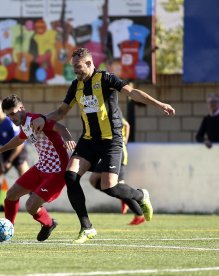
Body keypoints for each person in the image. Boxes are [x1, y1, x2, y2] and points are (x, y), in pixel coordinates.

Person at [31, 47, 175, 243]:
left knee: (109, 187)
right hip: (89, 140)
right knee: (70, 176)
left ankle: (141, 195)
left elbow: (132, 92)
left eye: (79, 67)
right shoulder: (76, 86)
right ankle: (87, 227)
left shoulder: (106, 79)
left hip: (111, 140)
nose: (76, 71)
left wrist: (160, 105)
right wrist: (42, 118)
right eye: (73, 67)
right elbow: (61, 111)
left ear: (90, 63)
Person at [0, 94, 76, 242]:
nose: (12, 118)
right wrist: (0, 150)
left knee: (30, 206)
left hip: (57, 171)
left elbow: (60, 127)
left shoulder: (34, 120)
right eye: (8, 116)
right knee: (11, 195)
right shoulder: (24, 124)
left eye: (13, 113)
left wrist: (68, 138)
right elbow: (19, 139)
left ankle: (49, 224)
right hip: (42, 167)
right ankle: (8, 227)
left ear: (22, 108)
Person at [0, 98, 29, 211]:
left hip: (18, 151)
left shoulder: (9, 122)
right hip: (4, 152)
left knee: (27, 179)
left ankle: (37, 206)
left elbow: (20, 143)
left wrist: (9, 161)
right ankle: (3, 205)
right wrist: (1, 162)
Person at [89, 115, 132, 218]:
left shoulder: (113, 113)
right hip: (109, 152)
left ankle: (138, 209)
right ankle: (125, 198)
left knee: (120, 185)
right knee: (95, 180)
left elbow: (126, 124)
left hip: (118, 152)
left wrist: (125, 139)